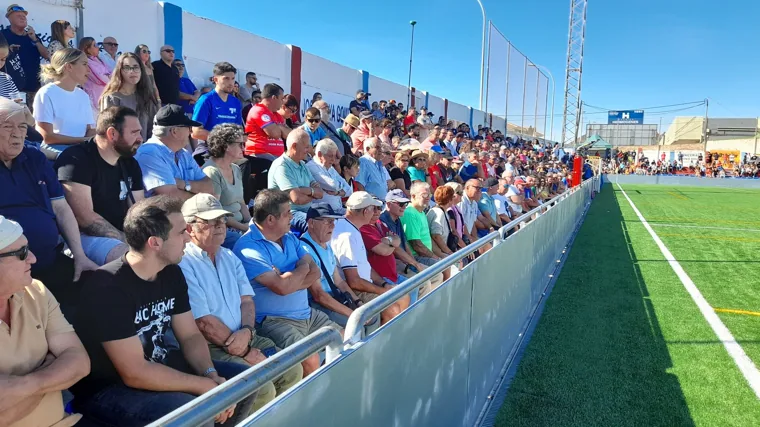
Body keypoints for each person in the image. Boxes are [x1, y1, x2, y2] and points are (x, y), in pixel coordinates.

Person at [72, 196, 256, 426]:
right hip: (110, 388)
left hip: (162, 364)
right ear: (155, 243)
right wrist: (203, 387)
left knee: (244, 383)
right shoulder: (107, 287)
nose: (188, 237)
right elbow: (134, 372)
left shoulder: (171, 272)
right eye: (181, 232)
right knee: (195, 414)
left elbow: (189, 335)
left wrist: (209, 374)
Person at [178, 193, 303, 412]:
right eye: (211, 222)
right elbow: (203, 323)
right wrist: (244, 351)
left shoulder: (229, 256)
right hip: (213, 346)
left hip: (244, 335)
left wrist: (246, 331)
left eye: (222, 220)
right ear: (189, 229)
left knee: (292, 370)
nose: (220, 226)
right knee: (263, 391)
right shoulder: (183, 263)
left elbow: (247, 301)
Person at [0, 98, 98, 312]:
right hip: (8, 271)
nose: (17, 133)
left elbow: (61, 208)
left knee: (96, 288)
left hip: (49, 259)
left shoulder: (35, 158)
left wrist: (79, 256)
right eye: (8, 127)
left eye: (22, 127)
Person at [232, 189, 340, 376]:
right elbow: (281, 288)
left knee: (345, 336)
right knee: (310, 359)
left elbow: (315, 271)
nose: (292, 216)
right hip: (274, 321)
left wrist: (289, 277)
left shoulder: (289, 237)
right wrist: (300, 269)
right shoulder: (248, 248)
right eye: (287, 213)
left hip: (307, 315)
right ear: (271, 220)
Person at [0, 216, 91, 427]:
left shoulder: (36, 291)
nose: (32, 258)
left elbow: (79, 362)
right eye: (21, 253)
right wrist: (52, 368)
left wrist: (24, 386)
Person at [55, 106, 145, 267]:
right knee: (133, 260)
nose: (140, 138)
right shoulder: (76, 159)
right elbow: (85, 218)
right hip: (80, 236)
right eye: (134, 132)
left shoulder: (130, 163)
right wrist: (130, 242)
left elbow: (138, 210)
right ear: (112, 134)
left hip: (120, 234)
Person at [331, 192, 410, 325]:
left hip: (363, 284)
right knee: (393, 308)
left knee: (403, 296)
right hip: (354, 291)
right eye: (374, 208)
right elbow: (354, 282)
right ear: (365, 211)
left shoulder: (352, 228)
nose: (376, 212)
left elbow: (365, 266)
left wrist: (384, 284)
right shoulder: (347, 235)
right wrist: (383, 291)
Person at [300, 204, 367, 328]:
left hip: (334, 297)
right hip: (318, 305)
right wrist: (352, 315)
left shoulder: (326, 245)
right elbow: (319, 295)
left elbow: (339, 281)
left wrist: (358, 303)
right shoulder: (304, 250)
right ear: (311, 223)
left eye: (333, 220)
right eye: (327, 221)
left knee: (369, 316)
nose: (333, 225)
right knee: (356, 326)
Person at [135, 104, 215, 199]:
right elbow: (171, 197)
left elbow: (210, 187)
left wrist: (183, 184)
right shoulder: (149, 153)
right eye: (189, 128)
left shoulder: (183, 153)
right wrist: (201, 196)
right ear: (174, 131)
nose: (191, 132)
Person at [33, 48, 96, 158]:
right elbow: (47, 137)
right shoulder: (46, 93)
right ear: (69, 67)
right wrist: (83, 141)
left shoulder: (83, 95)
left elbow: (89, 130)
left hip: (79, 148)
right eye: (84, 64)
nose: (88, 70)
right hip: (56, 151)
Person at [202, 124, 252, 249]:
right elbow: (216, 212)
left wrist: (251, 224)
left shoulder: (235, 169)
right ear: (226, 146)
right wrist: (244, 228)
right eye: (240, 144)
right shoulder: (211, 171)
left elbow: (241, 202)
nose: (243, 147)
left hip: (240, 226)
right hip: (223, 229)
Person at [268, 128, 323, 234]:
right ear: (294, 146)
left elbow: (320, 193)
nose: (309, 150)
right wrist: (312, 193)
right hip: (287, 213)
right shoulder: (282, 166)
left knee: (331, 222)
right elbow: (297, 199)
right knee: (316, 227)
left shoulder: (302, 164)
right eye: (306, 147)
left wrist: (305, 190)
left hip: (307, 210)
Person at [100, 52, 160, 141]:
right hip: (120, 150)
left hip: (144, 150)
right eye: (127, 68)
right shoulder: (111, 98)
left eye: (135, 67)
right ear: (119, 71)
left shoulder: (147, 96)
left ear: (141, 70)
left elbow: (153, 129)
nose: (132, 71)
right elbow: (108, 131)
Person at [2, 4, 50, 108]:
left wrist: (35, 40)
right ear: (9, 18)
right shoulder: (3, 35)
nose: (23, 17)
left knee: (33, 122)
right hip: (12, 89)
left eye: (24, 16)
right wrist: (8, 50)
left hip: (34, 87)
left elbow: (47, 55)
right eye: (18, 15)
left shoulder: (32, 36)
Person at [191, 62, 243, 154]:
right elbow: (196, 132)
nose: (231, 83)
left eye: (233, 79)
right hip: (209, 147)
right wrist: (223, 140)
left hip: (230, 150)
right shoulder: (206, 100)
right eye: (226, 78)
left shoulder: (235, 102)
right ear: (215, 79)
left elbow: (238, 131)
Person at [245, 83, 290, 160]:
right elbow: (275, 134)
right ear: (274, 97)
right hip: (260, 155)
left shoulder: (277, 114)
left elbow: (289, 135)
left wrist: (278, 127)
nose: (283, 102)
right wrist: (280, 127)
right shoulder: (259, 110)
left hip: (276, 156)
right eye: (281, 98)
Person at [307, 138, 352, 211]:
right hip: (322, 214)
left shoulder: (330, 167)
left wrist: (337, 192)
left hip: (337, 211)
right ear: (320, 154)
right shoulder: (312, 167)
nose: (333, 160)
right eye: (330, 156)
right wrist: (341, 188)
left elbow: (349, 190)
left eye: (334, 156)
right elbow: (333, 186)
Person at [79, 37, 112, 113]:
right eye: (94, 45)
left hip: (104, 95)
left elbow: (110, 71)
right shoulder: (87, 62)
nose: (97, 47)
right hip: (94, 97)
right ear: (87, 49)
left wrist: (109, 76)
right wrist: (110, 78)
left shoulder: (98, 59)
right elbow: (99, 78)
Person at [427, 185, 458, 262]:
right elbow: (436, 236)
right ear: (449, 199)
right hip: (438, 253)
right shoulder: (439, 213)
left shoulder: (437, 210)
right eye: (453, 196)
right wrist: (449, 252)